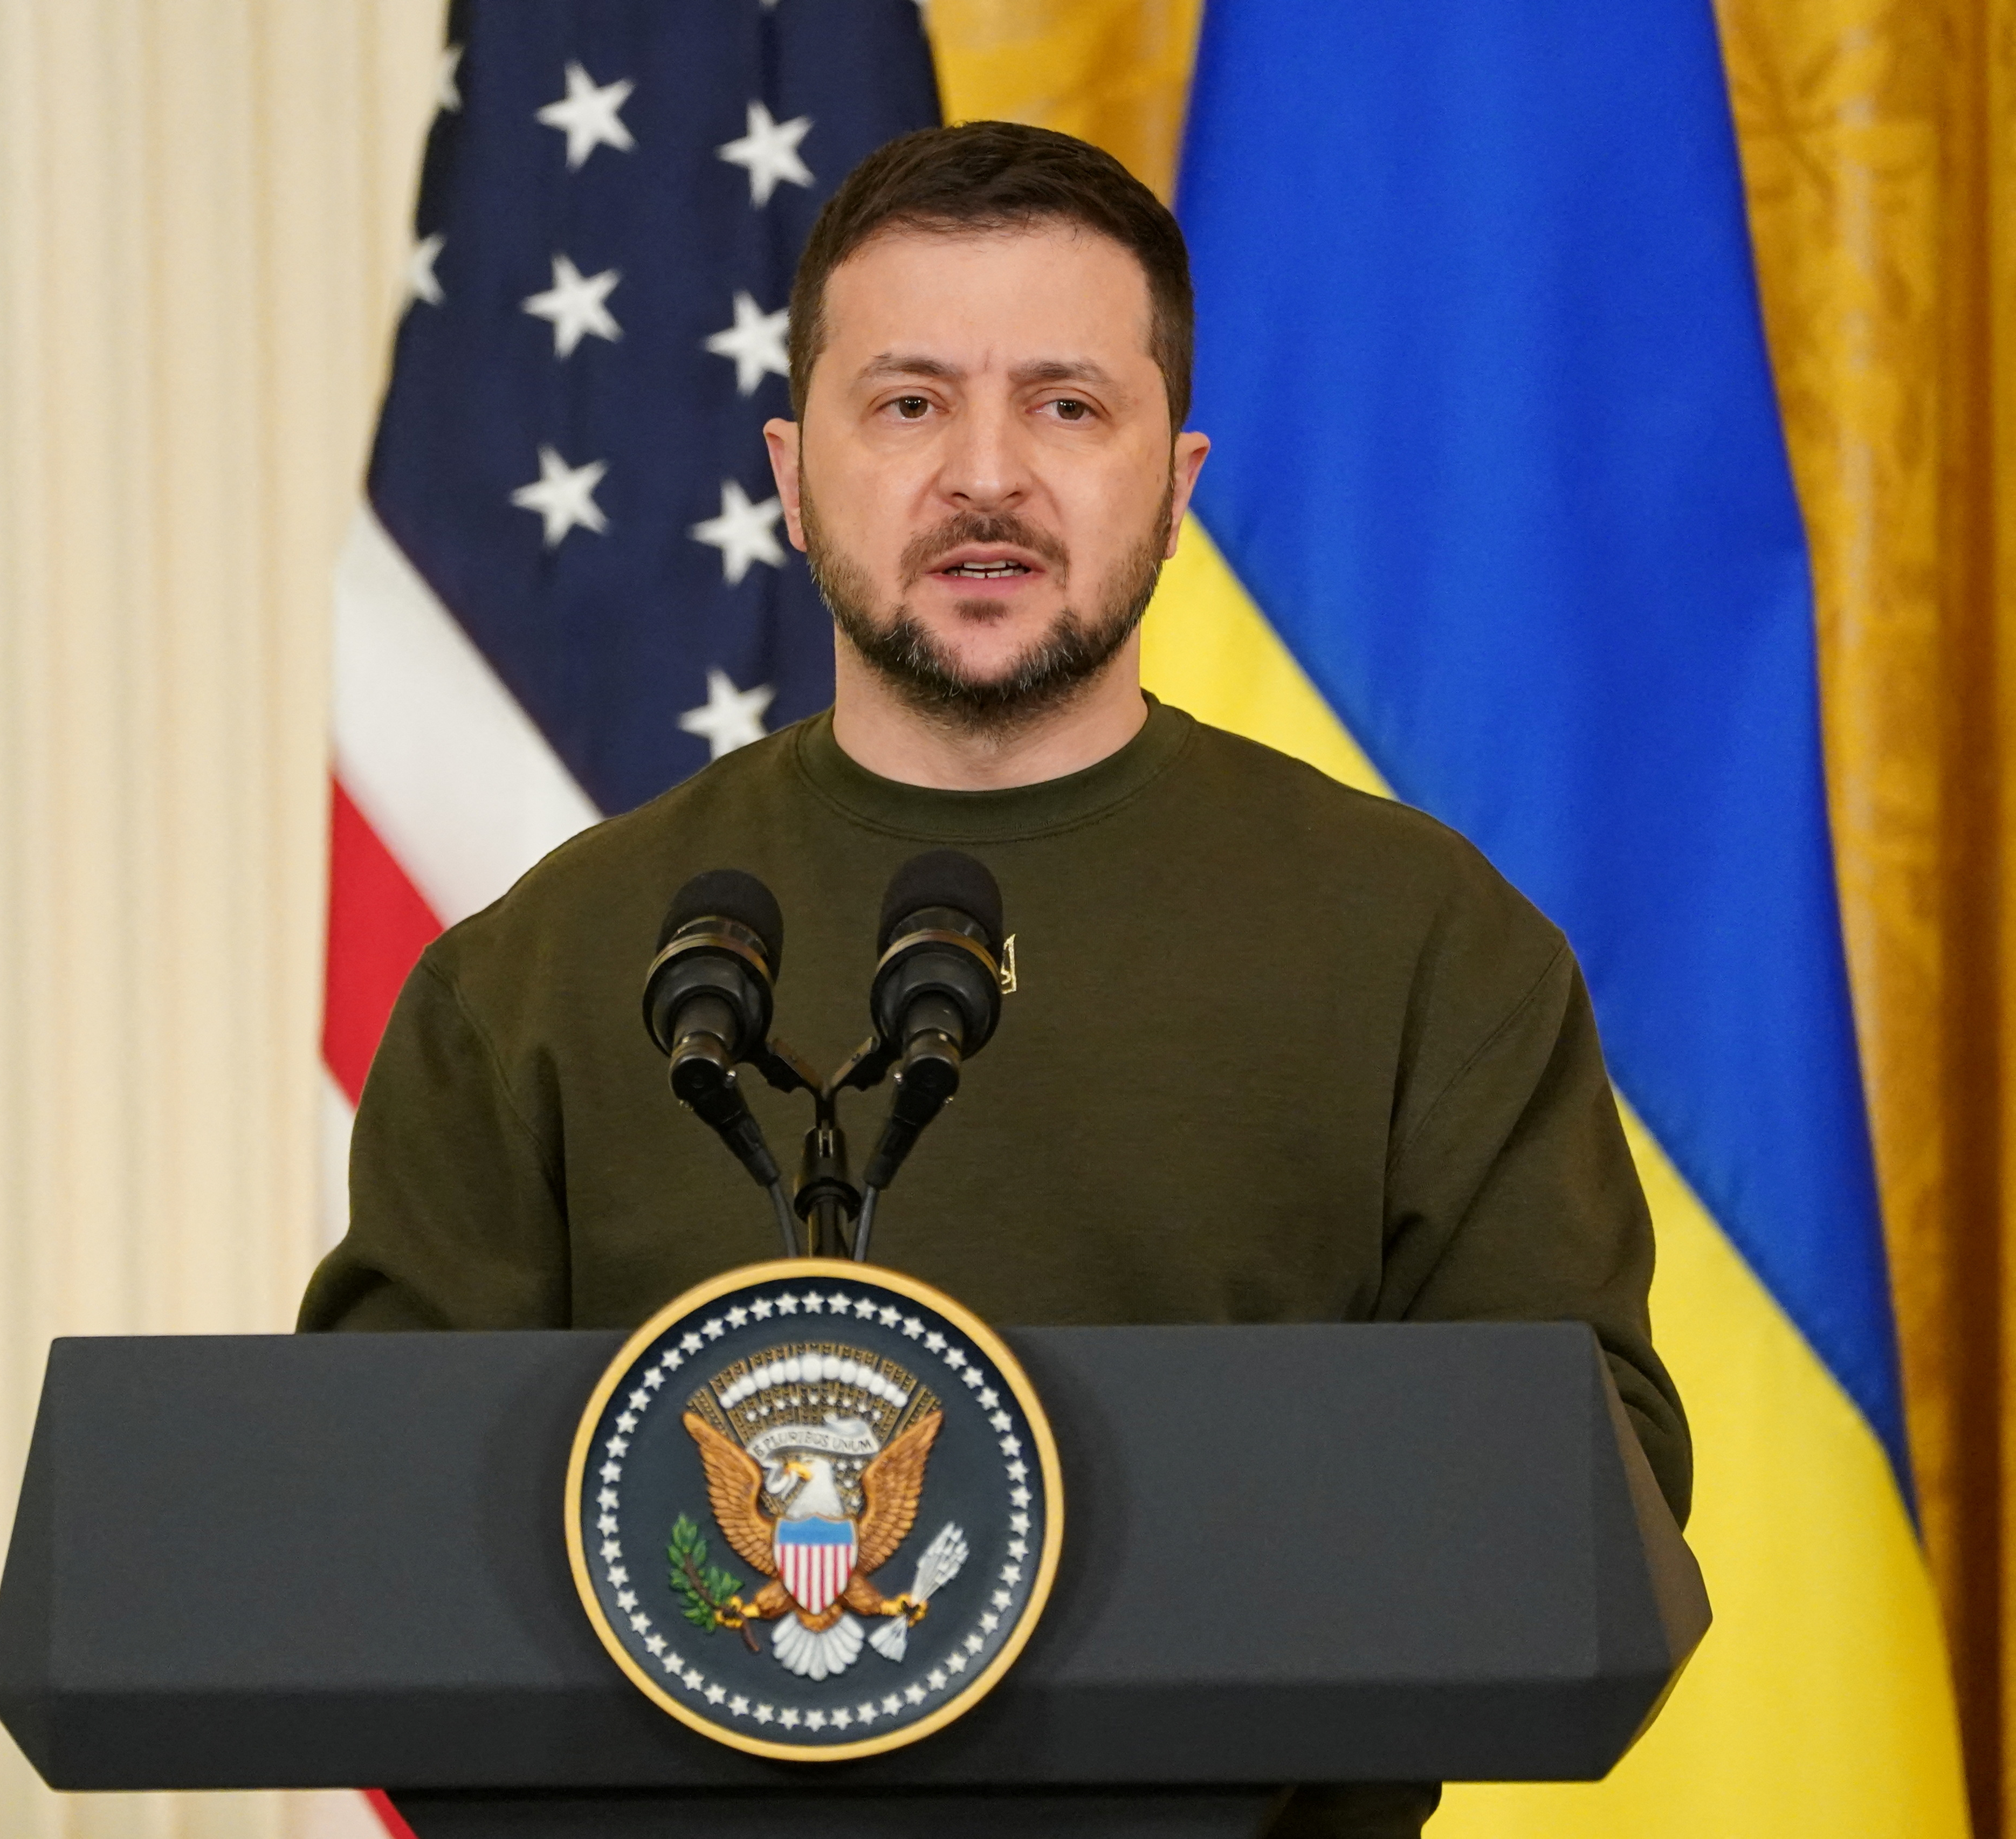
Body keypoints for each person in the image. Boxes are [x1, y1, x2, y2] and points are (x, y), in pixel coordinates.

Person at [300, 122, 1687, 1839]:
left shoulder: (1428, 949)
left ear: (1175, 485)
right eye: (906, 403)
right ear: (791, 472)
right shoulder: (537, 973)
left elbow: (1579, 1506)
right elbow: (375, 1556)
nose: (985, 475)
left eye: (1066, 405)